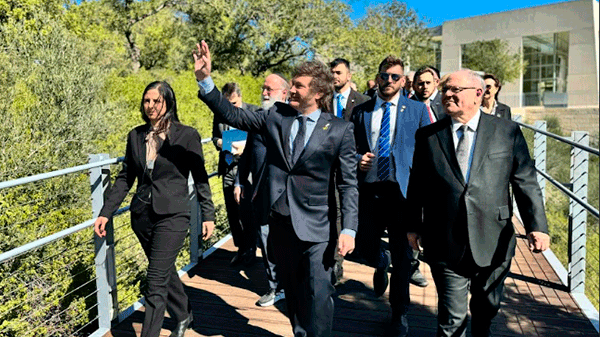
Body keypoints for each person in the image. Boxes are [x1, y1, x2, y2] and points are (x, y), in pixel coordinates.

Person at [194, 41, 358, 337]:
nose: (292, 90)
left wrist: (349, 229)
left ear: (318, 93)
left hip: (319, 226)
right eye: (292, 84)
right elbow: (235, 117)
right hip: (281, 223)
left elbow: (348, 183)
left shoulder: (338, 130)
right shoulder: (275, 117)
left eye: (299, 86)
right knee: (294, 292)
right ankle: (300, 333)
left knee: (319, 293)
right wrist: (206, 81)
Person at [406, 70, 550, 337]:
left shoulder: (506, 132)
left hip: (493, 239)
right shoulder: (427, 136)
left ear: (478, 93)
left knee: (485, 313)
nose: (447, 94)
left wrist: (537, 226)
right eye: (446, 88)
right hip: (445, 241)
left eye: (455, 90)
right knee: (451, 320)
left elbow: (525, 180)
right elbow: (417, 185)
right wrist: (414, 225)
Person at [93, 81, 215, 337]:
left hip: (173, 216)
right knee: (163, 270)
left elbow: (200, 177)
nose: (150, 106)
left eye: (156, 101)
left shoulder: (186, 135)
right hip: (142, 216)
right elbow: (126, 177)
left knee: (155, 282)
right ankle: (183, 315)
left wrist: (208, 215)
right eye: (146, 101)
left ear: (168, 103)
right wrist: (106, 212)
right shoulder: (135, 135)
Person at [350, 56, 430, 337]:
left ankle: (399, 313)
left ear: (403, 81)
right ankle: (379, 260)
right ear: (378, 77)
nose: (389, 81)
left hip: (403, 193)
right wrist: (359, 158)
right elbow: (350, 148)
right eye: (384, 76)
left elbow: (426, 154)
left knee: (404, 256)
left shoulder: (417, 111)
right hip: (369, 190)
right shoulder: (361, 111)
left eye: (395, 77)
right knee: (365, 247)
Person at [234, 73, 290, 307]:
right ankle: (276, 286)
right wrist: (239, 181)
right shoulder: (257, 118)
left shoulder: (296, 118)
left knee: (290, 243)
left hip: (289, 195)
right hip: (260, 192)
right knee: (266, 239)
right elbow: (247, 154)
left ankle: (294, 284)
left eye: (270, 89)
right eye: (263, 88)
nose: (264, 93)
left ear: (285, 93)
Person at [329, 58, 370, 285]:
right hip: (328, 168)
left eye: (338, 72)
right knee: (334, 212)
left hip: (355, 168)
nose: (334, 76)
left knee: (352, 212)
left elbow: (366, 138)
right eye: (331, 72)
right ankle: (336, 263)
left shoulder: (363, 102)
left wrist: (359, 159)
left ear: (349, 75)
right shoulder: (324, 101)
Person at [212, 83, 259, 267]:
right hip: (228, 166)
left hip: (248, 168)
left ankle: (250, 250)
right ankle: (241, 247)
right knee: (232, 211)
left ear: (240, 96)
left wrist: (244, 147)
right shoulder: (220, 114)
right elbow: (215, 137)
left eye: (234, 103)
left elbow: (260, 140)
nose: (231, 107)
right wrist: (225, 143)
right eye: (227, 104)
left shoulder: (254, 112)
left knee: (246, 209)